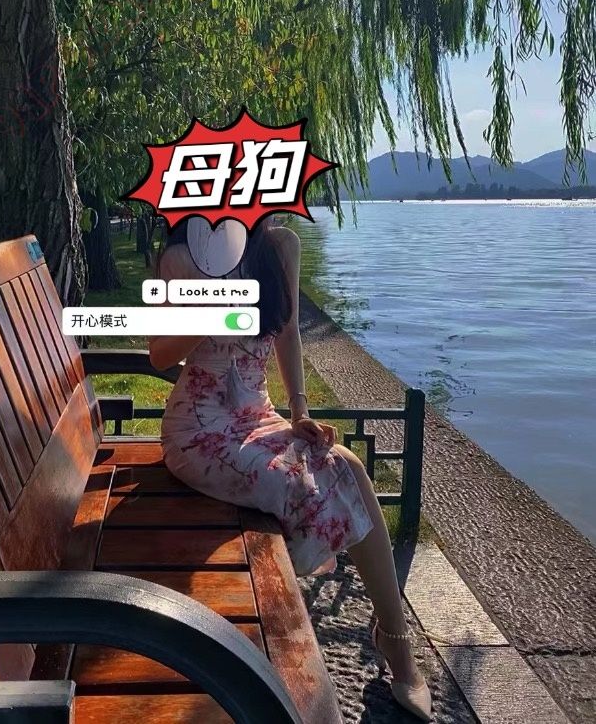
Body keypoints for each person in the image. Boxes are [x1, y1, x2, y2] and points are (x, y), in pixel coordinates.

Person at [149, 217, 432, 721]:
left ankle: (393, 635)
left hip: (257, 415)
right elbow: (158, 354)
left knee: (346, 464)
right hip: (198, 430)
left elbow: (288, 335)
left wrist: (300, 411)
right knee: (296, 479)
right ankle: (295, 630)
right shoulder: (181, 257)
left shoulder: (279, 246)